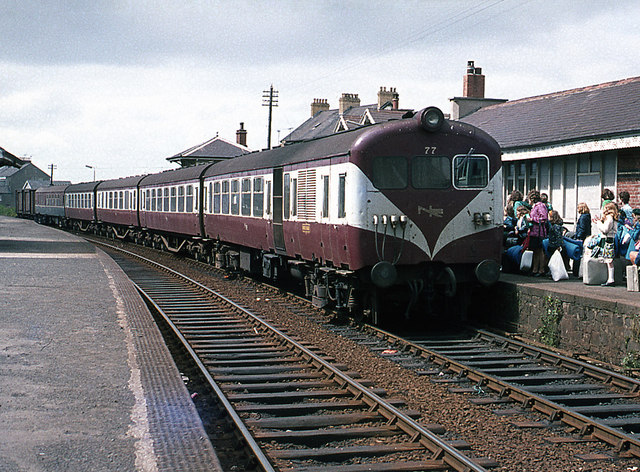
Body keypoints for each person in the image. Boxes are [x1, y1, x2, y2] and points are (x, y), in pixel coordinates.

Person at [594, 202, 619, 286]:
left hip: (607, 240)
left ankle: (610, 279)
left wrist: (598, 223)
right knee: (609, 260)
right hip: (611, 239)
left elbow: (605, 229)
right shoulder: (614, 218)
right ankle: (610, 279)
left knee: (609, 260)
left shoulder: (609, 218)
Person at [527, 190, 549, 276]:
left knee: (540, 251)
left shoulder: (540, 206)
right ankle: (535, 269)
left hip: (539, 232)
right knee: (535, 251)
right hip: (534, 231)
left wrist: (532, 220)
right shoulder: (535, 206)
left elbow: (544, 218)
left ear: (532, 199)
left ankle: (541, 269)